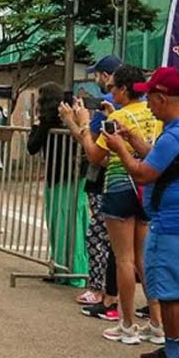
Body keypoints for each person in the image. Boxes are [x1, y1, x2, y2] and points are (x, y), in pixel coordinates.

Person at [101, 67, 179, 358]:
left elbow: (143, 173)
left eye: (150, 96)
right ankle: (174, 347)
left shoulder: (175, 135)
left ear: (162, 98)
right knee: (178, 291)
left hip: (175, 226)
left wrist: (120, 149)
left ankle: (174, 356)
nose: (146, 102)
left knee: (172, 293)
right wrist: (135, 140)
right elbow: (160, 160)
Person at [61, 65, 164, 345]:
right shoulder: (154, 116)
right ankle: (157, 324)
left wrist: (81, 124)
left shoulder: (118, 116)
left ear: (122, 89)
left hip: (119, 186)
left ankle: (127, 324)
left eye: (113, 87)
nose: (111, 91)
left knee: (124, 260)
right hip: (146, 189)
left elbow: (95, 155)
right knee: (143, 259)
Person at [28, 84, 89, 285]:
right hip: (76, 177)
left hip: (59, 178)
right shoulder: (73, 118)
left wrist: (37, 124)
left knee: (60, 224)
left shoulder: (48, 122)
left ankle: (67, 269)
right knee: (76, 222)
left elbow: (32, 147)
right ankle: (75, 268)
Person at [78, 55, 123, 315]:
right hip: (125, 183)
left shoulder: (108, 108)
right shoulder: (136, 109)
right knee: (125, 249)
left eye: (98, 76)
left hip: (109, 183)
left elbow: (93, 151)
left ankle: (104, 294)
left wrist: (80, 123)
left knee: (100, 237)